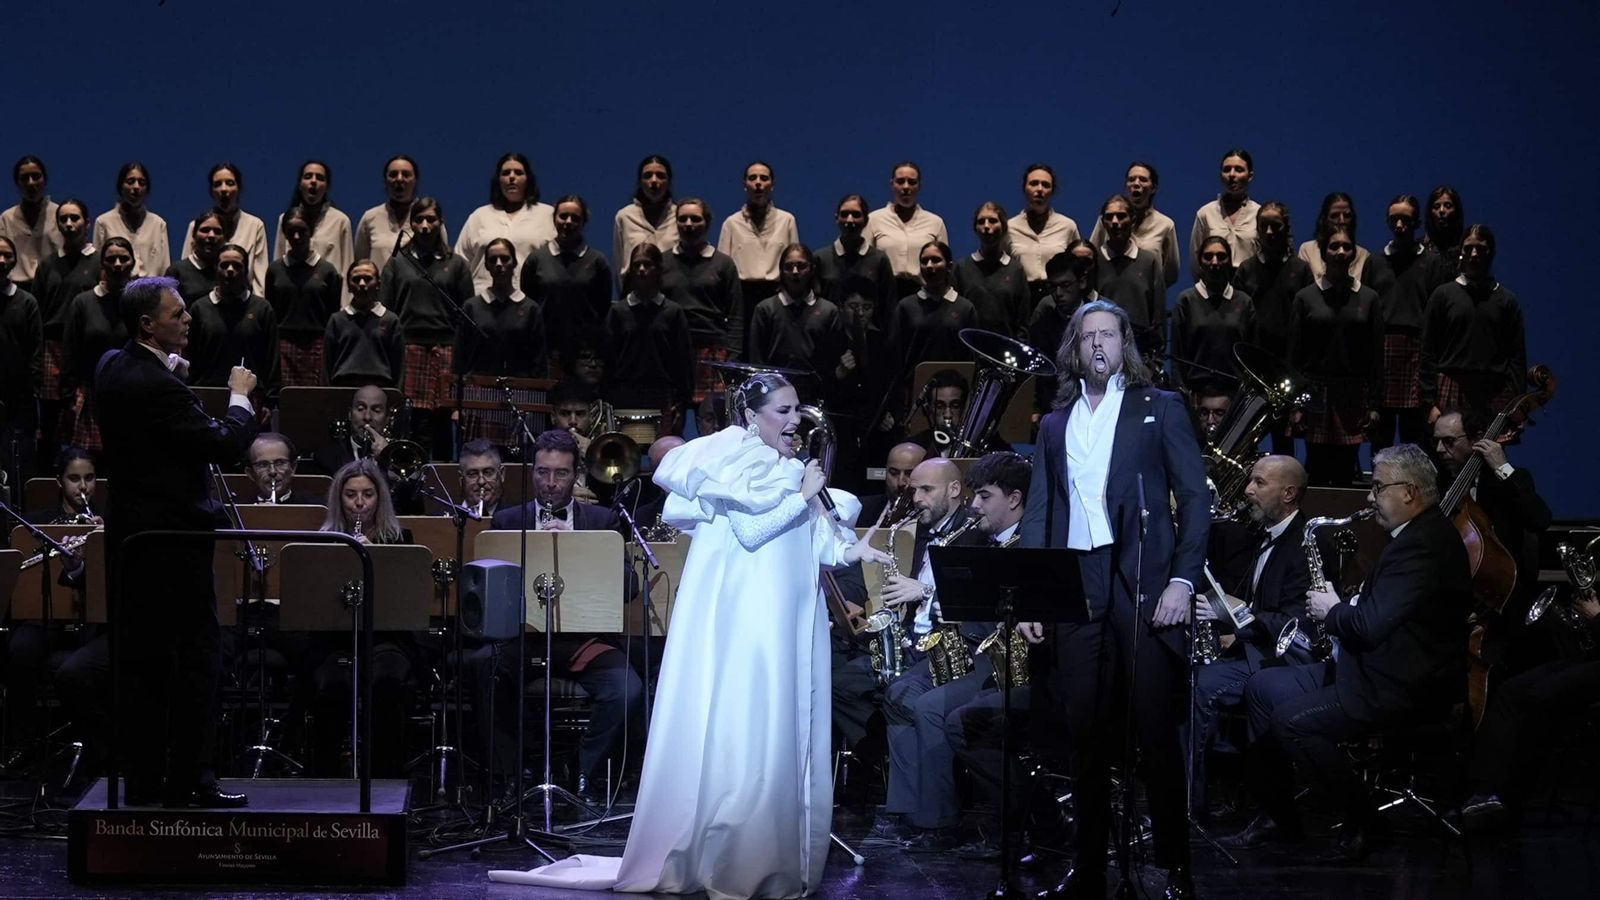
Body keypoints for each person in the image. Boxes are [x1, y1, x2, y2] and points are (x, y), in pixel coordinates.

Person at [496, 372, 889, 898]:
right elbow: (752, 530)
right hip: (756, 618)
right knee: (753, 722)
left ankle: (773, 853)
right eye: (785, 410)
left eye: (798, 409)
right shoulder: (733, 461)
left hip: (793, 613)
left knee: (788, 720)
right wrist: (801, 495)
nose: (797, 420)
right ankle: (740, 857)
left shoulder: (787, 467)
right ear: (752, 415)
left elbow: (816, 541)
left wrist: (853, 549)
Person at [1018, 299, 1209, 900]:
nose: (1098, 344)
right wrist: (1031, 597)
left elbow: (1195, 501)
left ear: (1125, 345)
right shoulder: (1054, 425)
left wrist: (1182, 581)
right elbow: (1043, 513)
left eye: (1109, 333)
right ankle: (1089, 868)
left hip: (1144, 579)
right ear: (1074, 350)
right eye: (1088, 336)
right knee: (1086, 734)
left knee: (1154, 729)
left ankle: (1176, 866)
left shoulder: (1160, 408)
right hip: (1077, 582)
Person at [1222, 445, 1471, 861]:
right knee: (1262, 685)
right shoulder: (1414, 536)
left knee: (1292, 723)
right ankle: (1279, 816)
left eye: (1377, 488)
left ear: (1409, 492)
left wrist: (1332, 610)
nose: (1369, 497)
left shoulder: (1422, 544)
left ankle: (1366, 820)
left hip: (1401, 686)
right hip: (1371, 669)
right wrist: (1350, 607)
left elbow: (1371, 626)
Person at [94, 275, 258, 807]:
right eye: (178, 314)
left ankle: (145, 782)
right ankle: (192, 781)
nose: (188, 320)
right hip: (172, 545)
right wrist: (239, 398)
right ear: (148, 324)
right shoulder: (155, 386)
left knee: (144, 665)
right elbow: (225, 444)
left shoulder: (113, 365)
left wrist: (172, 369)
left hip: (135, 542)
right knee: (194, 660)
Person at [467, 428, 643, 794]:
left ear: (575, 473)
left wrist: (579, 550)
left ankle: (582, 769)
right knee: (485, 667)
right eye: (543, 472)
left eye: (560, 473)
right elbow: (491, 595)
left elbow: (629, 589)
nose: (550, 482)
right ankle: (513, 773)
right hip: (525, 637)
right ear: (531, 473)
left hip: (584, 641)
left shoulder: (600, 521)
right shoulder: (508, 521)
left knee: (627, 689)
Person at [1188, 455, 1316, 816]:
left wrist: (1238, 612)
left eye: (1260, 483)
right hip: (1253, 649)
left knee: (1200, 687)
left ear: (1289, 493)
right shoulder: (1267, 535)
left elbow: (1293, 622)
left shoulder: (1304, 543)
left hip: (1283, 661)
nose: (1248, 490)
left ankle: (1189, 804)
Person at [875, 457, 992, 851]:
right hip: (925, 643)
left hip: (961, 646)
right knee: (896, 696)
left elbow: (977, 597)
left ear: (954, 490)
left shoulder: (976, 535)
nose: (916, 498)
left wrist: (923, 591)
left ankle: (937, 818)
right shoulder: (927, 534)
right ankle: (906, 809)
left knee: (920, 700)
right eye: (913, 490)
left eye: (926, 490)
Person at [941, 450, 1033, 860]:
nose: (974, 506)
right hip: (996, 666)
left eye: (984, 496)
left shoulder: (1031, 544)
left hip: (1033, 674)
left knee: (963, 719)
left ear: (1014, 499)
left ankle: (1028, 822)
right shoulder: (987, 540)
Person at [308, 458, 416, 777]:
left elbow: (403, 602)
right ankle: (325, 780)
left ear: (379, 498)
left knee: (385, 682)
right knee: (333, 685)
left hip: (386, 638)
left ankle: (385, 777)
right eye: (351, 495)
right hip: (336, 640)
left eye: (368, 494)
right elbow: (315, 604)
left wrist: (373, 560)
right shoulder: (324, 539)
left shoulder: (399, 538)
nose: (359, 503)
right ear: (338, 499)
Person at [1431, 410, 1552, 633]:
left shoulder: (1507, 481)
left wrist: (1502, 468)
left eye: (1448, 442)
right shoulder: (1436, 483)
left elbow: (1540, 519)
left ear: (1477, 439)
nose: (1439, 450)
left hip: (1498, 605)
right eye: (1436, 441)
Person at [1288, 225, 1382, 487]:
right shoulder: (1305, 298)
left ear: (1354, 253)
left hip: (1352, 392)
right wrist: (1296, 404)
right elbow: (1294, 356)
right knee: (1315, 469)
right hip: (1315, 392)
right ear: (1322, 252)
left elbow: (1375, 355)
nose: (1340, 251)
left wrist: (1374, 404)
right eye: (1334, 246)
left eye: (1347, 247)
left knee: (1344, 470)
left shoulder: (1369, 298)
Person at [381, 197, 474, 451]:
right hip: (409, 346)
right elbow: (385, 311)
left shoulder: (456, 265)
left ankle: (441, 476)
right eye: (419, 219)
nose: (424, 225)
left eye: (431, 219)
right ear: (411, 223)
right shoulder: (398, 263)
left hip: (446, 348)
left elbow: (467, 313)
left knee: (443, 421)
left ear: (440, 222)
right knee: (413, 422)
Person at [1419, 224, 1527, 426]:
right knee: (1446, 455)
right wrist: (1429, 401)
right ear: (1461, 252)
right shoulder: (1443, 295)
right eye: (1468, 248)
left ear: (1491, 253)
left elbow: (1516, 357)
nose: (1474, 254)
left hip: (1493, 390)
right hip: (1451, 385)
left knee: (1488, 455)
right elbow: (1428, 351)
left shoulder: (1506, 300)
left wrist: (1517, 403)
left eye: (1480, 248)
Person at [1369, 194, 1451, 452]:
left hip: (1417, 350)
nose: (1400, 225)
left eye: (1406, 219)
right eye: (1394, 219)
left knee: (1414, 435)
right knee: (1380, 435)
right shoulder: (1375, 261)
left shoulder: (1431, 262)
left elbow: (1437, 313)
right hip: (1383, 350)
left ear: (1416, 222)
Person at [1231, 201, 1310, 455]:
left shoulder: (1299, 269)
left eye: (1275, 226)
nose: (1269, 232)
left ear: (1286, 228)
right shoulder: (1247, 269)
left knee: (1283, 437)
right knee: (1245, 434)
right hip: (1255, 365)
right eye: (1263, 226)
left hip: (1287, 363)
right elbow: (1239, 317)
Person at [456, 237, 547, 445]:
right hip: (479, 397)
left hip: (521, 397)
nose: (499, 264)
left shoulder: (531, 309)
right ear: (486, 265)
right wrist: (458, 405)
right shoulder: (472, 307)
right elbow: (461, 357)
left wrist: (537, 403)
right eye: (493, 260)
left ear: (515, 263)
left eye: (504, 259)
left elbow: (539, 360)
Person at [663, 197, 743, 424]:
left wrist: (732, 358)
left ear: (707, 223)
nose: (689, 224)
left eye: (695, 219)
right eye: (683, 219)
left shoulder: (723, 264)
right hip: (674, 353)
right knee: (670, 424)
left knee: (713, 425)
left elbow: (736, 314)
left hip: (712, 354)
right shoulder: (663, 262)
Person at [31, 199, 100, 460]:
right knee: (50, 414)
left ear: (87, 223)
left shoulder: (98, 262)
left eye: (75, 218)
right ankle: (47, 474)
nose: (69, 224)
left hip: (84, 349)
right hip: (52, 347)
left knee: (80, 415)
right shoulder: (48, 265)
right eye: (64, 219)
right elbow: (37, 309)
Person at [603, 244, 694, 434]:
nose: (642, 270)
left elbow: (683, 360)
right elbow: (609, 359)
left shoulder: (673, 312)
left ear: (659, 269)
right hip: (624, 396)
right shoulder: (618, 312)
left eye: (648, 264)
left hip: (663, 396)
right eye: (637, 265)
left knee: (664, 453)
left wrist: (682, 401)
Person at [60, 237, 136, 453]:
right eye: (112, 259)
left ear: (133, 261)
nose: (118, 264)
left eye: (124, 258)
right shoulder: (83, 302)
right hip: (91, 394)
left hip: (131, 393)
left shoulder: (140, 302)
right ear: (102, 263)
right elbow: (70, 352)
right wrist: (69, 397)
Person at [746, 243, 849, 401]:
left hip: (817, 396)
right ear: (781, 270)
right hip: (774, 397)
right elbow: (757, 360)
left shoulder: (829, 311)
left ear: (812, 269)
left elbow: (833, 360)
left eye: (801, 266)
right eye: (789, 267)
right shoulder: (765, 309)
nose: (795, 272)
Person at [520, 194, 613, 362]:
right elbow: (529, 303)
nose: (568, 222)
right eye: (563, 216)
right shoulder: (536, 259)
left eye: (575, 218)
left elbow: (602, 309)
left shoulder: (597, 262)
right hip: (544, 350)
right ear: (554, 219)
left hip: (584, 353)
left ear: (584, 222)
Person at [186, 244, 282, 406]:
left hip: (251, 397)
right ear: (216, 269)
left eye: (237, 265)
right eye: (224, 265)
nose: (230, 270)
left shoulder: (262, 309)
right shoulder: (199, 308)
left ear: (246, 271)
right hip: (207, 395)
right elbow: (190, 358)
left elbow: (271, 359)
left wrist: (269, 402)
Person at [885, 241, 976, 408]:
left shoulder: (965, 308)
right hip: (915, 398)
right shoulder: (906, 307)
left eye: (936, 260)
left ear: (949, 266)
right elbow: (895, 358)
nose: (929, 266)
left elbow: (971, 358)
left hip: (954, 398)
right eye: (924, 261)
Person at [718, 160, 800, 337]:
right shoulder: (732, 223)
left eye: (764, 178)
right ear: (745, 185)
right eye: (752, 178)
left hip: (776, 296)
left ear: (772, 185)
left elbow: (795, 262)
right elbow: (722, 270)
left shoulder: (787, 221)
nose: (758, 183)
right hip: (741, 298)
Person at [456, 152, 554, 295]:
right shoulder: (479, 216)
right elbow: (460, 263)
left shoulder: (546, 215)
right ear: (498, 180)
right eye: (506, 173)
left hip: (530, 305)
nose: (512, 177)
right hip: (482, 305)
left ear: (528, 179)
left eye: (518, 173)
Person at [266, 205, 342, 386]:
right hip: (283, 345)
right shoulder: (275, 270)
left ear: (311, 231)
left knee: (315, 401)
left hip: (318, 345)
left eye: (302, 231)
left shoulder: (327, 271)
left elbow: (333, 313)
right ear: (284, 233)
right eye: (291, 232)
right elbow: (271, 312)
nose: (297, 237)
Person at [1172, 235, 1255, 394]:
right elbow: (1177, 356)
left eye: (1221, 257)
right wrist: (1181, 393)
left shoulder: (1244, 302)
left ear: (1230, 261)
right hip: (1196, 393)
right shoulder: (1186, 301)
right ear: (1200, 261)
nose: (1215, 262)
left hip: (1235, 394)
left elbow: (1252, 357)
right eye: (1208, 256)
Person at [1027, 242, 1100, 413]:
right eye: (1053, 286)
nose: (1058, 293)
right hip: (1054, 411)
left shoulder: (1102, 321)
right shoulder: (1041, 328)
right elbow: (1037, 377)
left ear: (1082, 282)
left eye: (1065, 286)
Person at [1093, 194, 1168, 358]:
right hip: (1100, 351)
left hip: (1139, 354)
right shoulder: (1094, 261)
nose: (1115, 222)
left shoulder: (1148, 261)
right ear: (1102, 222)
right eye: (1109, 217)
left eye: (1121, 216)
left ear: (1132, 220)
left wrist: (1156, 359)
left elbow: (1158, 315)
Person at [181, 163, 269, 295]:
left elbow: (260, 280)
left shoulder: (255, 225)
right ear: (211, 191)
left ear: (239, 188)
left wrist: (256, 311)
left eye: (230, 183)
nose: (223, 189)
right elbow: (186, 272)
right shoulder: (196, 227)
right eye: (217, 184)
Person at [868, 161, 950, 301]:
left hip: (924, 298)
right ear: (892, 184)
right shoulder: (873, 219)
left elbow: (945, 268)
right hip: (884, 297)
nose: (906, 187)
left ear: (919, 186)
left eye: (912, 182)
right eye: (900, 181)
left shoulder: (935, 222)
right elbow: (865, 264)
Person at [354, 155, 448, 277]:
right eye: (393, 174)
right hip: (380, 294)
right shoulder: (370, 218)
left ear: (416, 181)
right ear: (385, 181)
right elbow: (360, 263)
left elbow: (444, 260)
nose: (399, 179)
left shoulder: (430, 218)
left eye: (406, 174)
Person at [1091, 161, 1180, 288]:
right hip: (1108, 296)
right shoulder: (1108, 219)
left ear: (1153, 188)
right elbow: (1092, 257)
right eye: (1131, 179)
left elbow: (1171, 274)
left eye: (1143, 180)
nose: (1136, 184)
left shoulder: (1165, 225)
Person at [815, 194, 897, 328]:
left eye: (856, 215)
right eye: (844, 214)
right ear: (836, 218)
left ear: (866, 220)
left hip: (870, 341)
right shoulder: (821, 258)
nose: (850, 220)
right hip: (829, 338)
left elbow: (888, 307)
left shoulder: (879, 259)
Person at [0, 236, 43, 487]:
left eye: (7, 255)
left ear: (15, 260)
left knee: (19, 463)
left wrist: (31, 392)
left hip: (19, 400)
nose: (2, 260)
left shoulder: (27, 302)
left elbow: (35, 351)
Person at [954, 201, 1031, 339]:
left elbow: (1022, 320)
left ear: (1004, 227)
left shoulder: (1015, 270)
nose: (986, 226)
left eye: (993, 221)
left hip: (1006, 351)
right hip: (971, 350)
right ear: (975, 228)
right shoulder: (962, 268)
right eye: (981, 222)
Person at [271, 160, 353, 288]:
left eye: (320, 178)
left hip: (328, 301)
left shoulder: (340, 221)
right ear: (300, 184)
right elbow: (278, 264)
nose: (313, 181)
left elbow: (347, 269)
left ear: (327, 186)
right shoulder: (285, 220)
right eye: (308, 177)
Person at [1006, 163, 1080, 297]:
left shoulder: (1067, 226)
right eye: (1034, 183)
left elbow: (1076, 268)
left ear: (1052, 191)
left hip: (1057, 297)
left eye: (1046, 185)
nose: (1040, 189)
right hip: (1022, 297)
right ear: (1024, 188)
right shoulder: (1009, 227)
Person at [612, 154, 678, 292]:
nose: (654, 181)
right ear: (639, 182)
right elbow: (619, 265)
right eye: (647, 176)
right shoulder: (625, 216)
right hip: (634, 296)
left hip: (672, 296)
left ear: (669, 182)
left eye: (660, 176)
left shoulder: (680, 217)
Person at [92, 162, 169, 278]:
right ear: (120, 186)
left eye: (142, 183)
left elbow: (165, 269)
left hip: (150, 292)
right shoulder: (104, 222)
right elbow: (98, 269)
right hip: (116, 292)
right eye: (130, 181)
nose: (136, 187)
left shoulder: (158, 224)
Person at [1190, 148, 1260, 269]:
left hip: (1249, 286)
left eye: (1239, 170)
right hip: (1213, 284)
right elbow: (1196, 260)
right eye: (1227, 170)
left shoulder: (1259, 214)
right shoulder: (1206, 213)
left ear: (1250, 176)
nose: (1232, 174)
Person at [0, 156, 60, 294]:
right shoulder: (7, 218)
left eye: (36, 176)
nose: (31, 183)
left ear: (44, 180)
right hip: (16, 292)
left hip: (53, 291)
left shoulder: (60, 214)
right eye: (24, 178)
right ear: (17, 183)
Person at [312, 384, 392, 475]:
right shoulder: (326, 458)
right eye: (360, 409)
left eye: (376, 410)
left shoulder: (395, 458)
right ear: (350, 414)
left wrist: (387, 459)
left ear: (387, 419)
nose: (367, 416)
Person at [1296, 192, 1373, 282]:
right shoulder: (1308, 250)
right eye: (1335, 216)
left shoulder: (1364, 256)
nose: (1342, 221)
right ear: (1324, 219)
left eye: (1347, 216)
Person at [856, 441, 927, 528]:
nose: (901, 482)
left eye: (909, 474)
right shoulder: (860, 507)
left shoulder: (932, 516)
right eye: (894, 473)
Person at [166, 209, 224, 303]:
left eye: (217, 231)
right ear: (193, 235)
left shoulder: (229, 271)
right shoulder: (177, 271)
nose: (211, 235)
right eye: (205, 230)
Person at [243, 432, 317, 504]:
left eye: (280, 463)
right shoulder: (237, 510)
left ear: (293, 467)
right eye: (263, 465)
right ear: (250, 473)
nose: (272, 472)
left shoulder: (315, 508)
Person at [906, 368, 968, 453]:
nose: (948, 415)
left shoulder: (975, 447)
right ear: (929, 409)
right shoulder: (914, 446)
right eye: (939, 406)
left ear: (965, 408)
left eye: (955, 406)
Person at [1423, 185, 1465, 268]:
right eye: (1436, 206)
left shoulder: (1466, 249)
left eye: (1448, 206)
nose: (1441, 210)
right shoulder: (1420, 249)